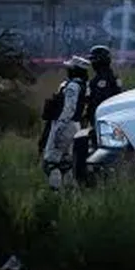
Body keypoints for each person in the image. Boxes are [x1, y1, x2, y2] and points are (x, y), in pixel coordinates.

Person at [72, 45, 124, 186]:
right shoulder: (113, 78)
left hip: (104, 123)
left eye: (94, 60)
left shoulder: (102, 81)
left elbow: (98, 103)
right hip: (109, 123)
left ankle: (99, 181)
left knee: (103, 154)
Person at [40, 55, 89, 190]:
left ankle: (55, 193)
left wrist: (58, 129)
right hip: (75, 126)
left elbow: (69, 109)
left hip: (65, 125)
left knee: (51, 162)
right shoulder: (84, 86)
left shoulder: (72, 86)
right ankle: (70, 192)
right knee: (65, 162)